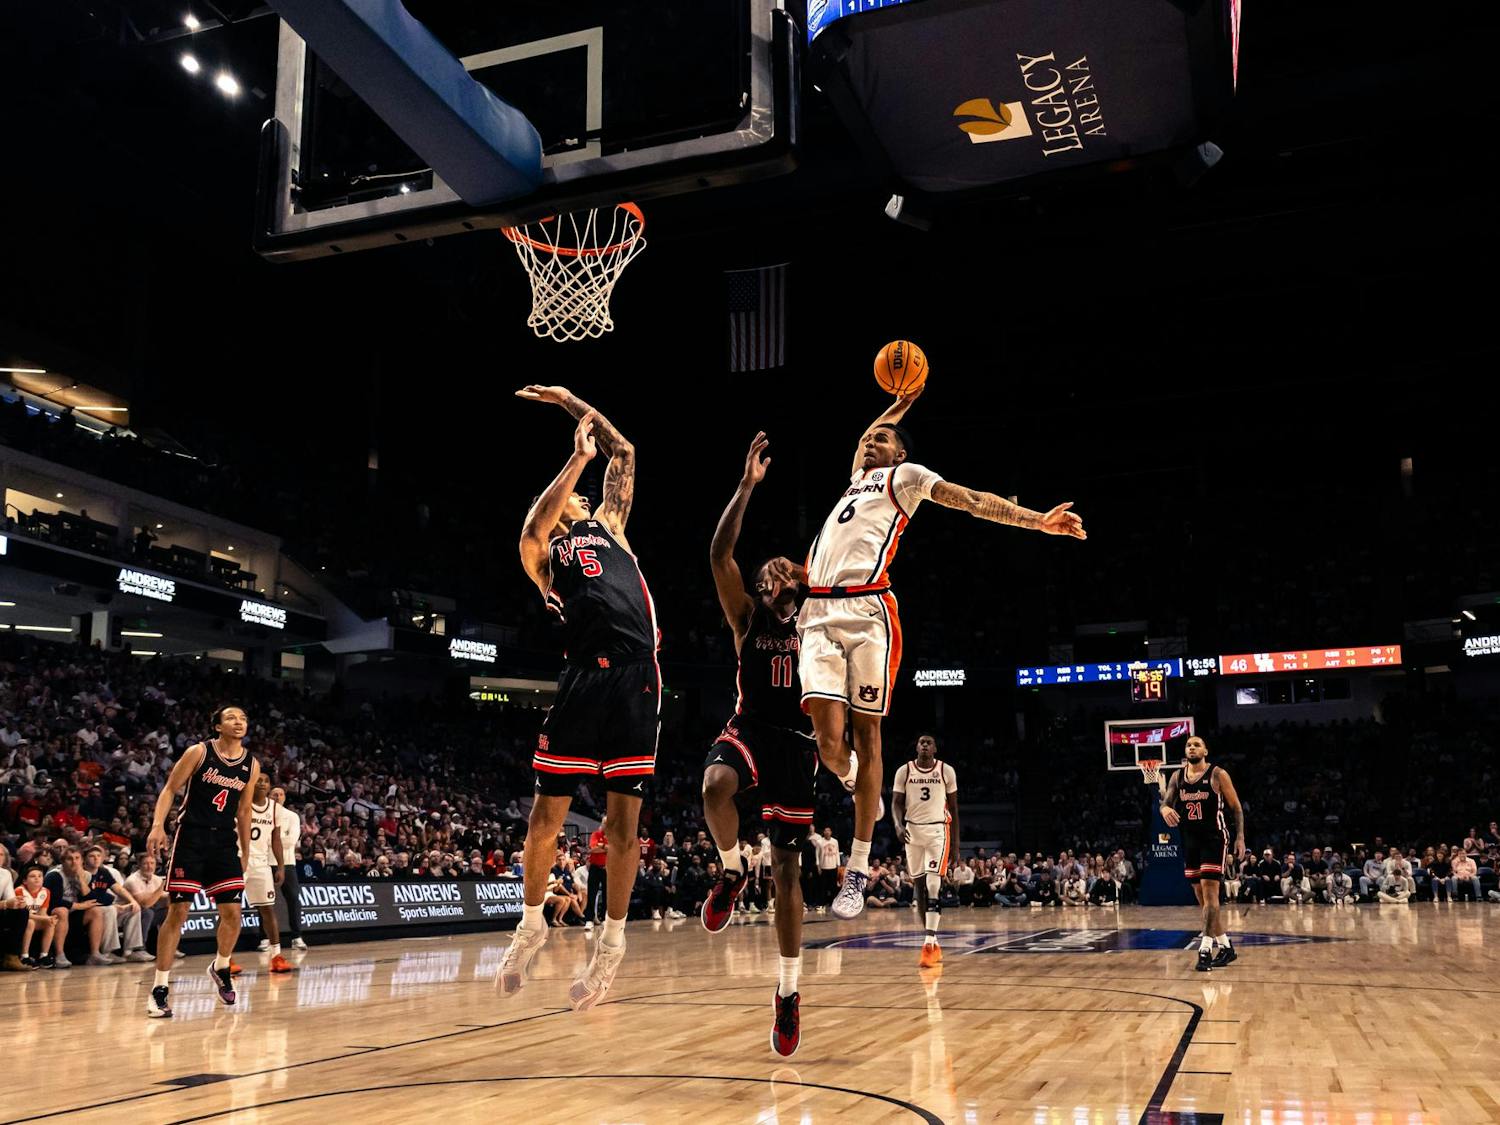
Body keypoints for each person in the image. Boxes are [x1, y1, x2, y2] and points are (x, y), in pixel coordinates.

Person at [799, 383, 1086, 919]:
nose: (868, 443)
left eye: (880, 440)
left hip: (867, 612)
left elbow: (972, 501)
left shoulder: (904, 477)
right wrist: (903, 400)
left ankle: (857, 871)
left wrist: (1037, 521)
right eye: (867, 440)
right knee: (830, 746)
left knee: (867, 733)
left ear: (900, 453)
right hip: (815, 613)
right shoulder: (855, 481)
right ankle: (852, 774)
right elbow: (866, 431)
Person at [500, 388, 658, 1011]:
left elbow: (628, 451)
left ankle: (612, 945)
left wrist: (572, 403)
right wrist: (574, 462)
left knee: (624, 828)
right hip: (581, 680)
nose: (579, 502)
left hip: (635, 677)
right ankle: (531, 922)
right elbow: (534, 525)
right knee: (545, 817)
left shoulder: (611, 527)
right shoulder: (541, 551)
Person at [696, 432, 819, 1055]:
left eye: (785, 569)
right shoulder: (748, 618)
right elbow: (720, 556)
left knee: (791, 872)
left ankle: (789, 992)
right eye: (769, 570)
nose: (775, 573)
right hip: (750, 729)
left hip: (798, 743)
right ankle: (730, 869)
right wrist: (746, 486)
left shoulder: (822, 622)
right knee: (714, 785)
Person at [144, 705, 261, 1017]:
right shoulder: (199, 752)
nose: (239, 722)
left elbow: (244, 811)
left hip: (224, 841)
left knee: (233, 913)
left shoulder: (251, 764)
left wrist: (246, 849)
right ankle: (160, 986)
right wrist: (158, 825)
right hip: (191, 836)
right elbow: (170, 789)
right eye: (232, 718)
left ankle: (221, 966)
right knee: (178, 911)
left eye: (243, 718)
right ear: (218, 726)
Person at [1159, 735, 1245, 971]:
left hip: (1214, 838)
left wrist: (1240, 838)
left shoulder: (1218, 774)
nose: (1192, 747)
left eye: (1197, 744)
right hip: (1190, 840)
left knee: (1210, 892)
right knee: (1202, 898)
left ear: (1205, 750)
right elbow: (1165, 802)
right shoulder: (1177, 776)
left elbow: (1236, 808)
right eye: (1188, 745)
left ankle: (1205, 949)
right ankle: (1226, 947)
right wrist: (1165, 808)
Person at [891, 733, 959, 967]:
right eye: (921, 742)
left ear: (935, 749)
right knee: (919, 888)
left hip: (937, 831)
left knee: (933, 884)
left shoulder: (946, 771)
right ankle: (932, 938)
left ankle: (928, 944)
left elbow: (954, 809)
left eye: (929, 743)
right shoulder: (904, 771)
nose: (925, 746)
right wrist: (898, 826)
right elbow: (896, 803)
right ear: (916, 747)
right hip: (912, 831)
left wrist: (956, 847)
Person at [245, 774, 292, 973]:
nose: (263, 783)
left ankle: (276, 956)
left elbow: (276, 840)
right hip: (237, 859)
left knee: (268, 910)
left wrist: (280, 866)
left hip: (261, 863)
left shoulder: (275, 810)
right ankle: (224, 960)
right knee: (229, 911)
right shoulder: (242, 802)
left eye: (266, 780)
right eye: (259, 780)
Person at [267, 786, 307, 951]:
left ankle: (296, 937)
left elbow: (291, 841)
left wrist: (272, 841)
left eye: (281, 794)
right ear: (269, 796)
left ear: (284, 797)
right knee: (265, 903)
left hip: (288, 863)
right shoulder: (262, 814)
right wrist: (275, 840)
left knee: (293, 900)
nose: (278, 796)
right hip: (265, 863)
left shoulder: (292, 816)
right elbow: (258, 840)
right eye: (274, 794)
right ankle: (265, 939)